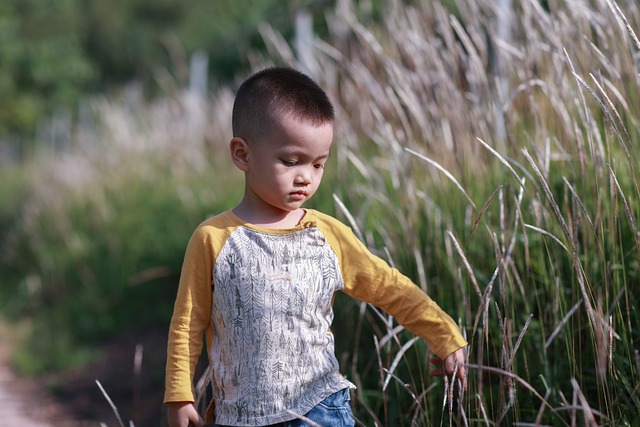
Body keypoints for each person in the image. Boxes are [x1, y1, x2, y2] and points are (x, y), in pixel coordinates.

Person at [164, 67, 468, 427]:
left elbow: (389, 286)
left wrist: (443, 332)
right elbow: (187, 322)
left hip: (320, 409)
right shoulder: (213, 239)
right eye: (290, 161)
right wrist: (179, 395)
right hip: (241, 415)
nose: (306, 176)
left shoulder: (326, 235)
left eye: (318, 163)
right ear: (242, 154)